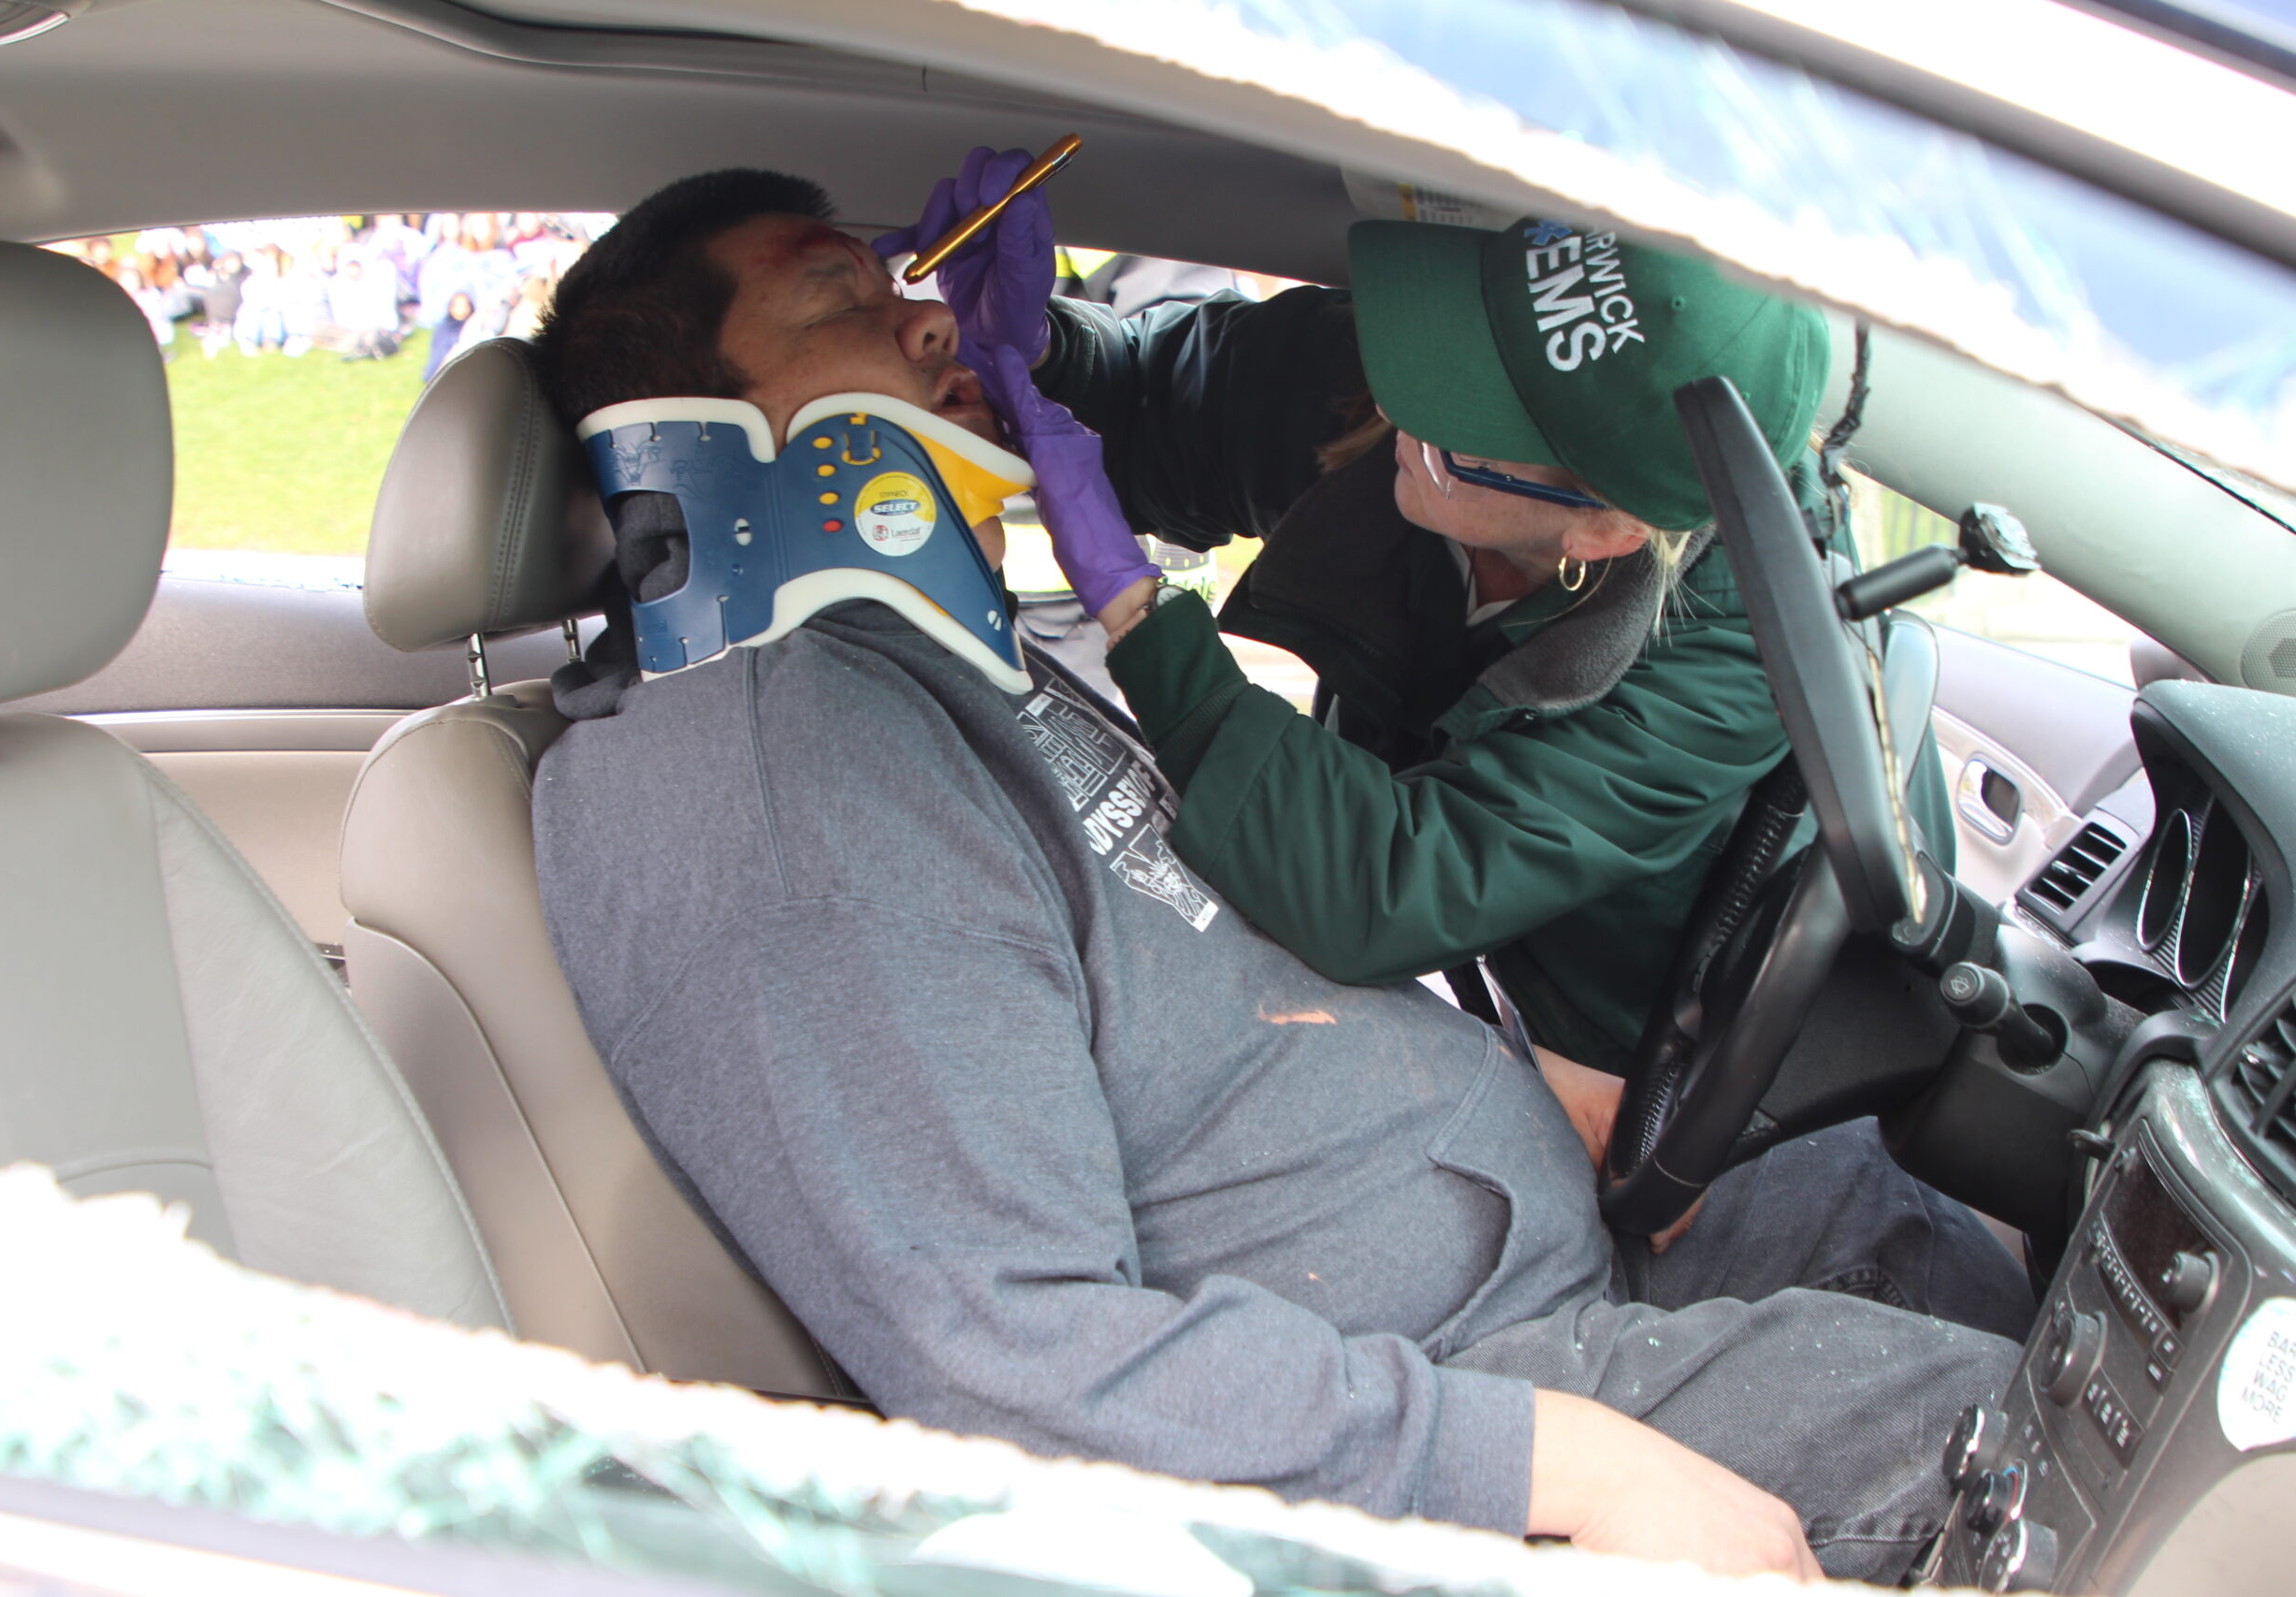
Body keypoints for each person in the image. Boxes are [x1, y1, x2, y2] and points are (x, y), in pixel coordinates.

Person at [526, 167, 2032, 1586]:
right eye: (840, 297)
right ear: (687, 430)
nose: (924, 313)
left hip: (1513, 1242)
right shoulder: (794, 781)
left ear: (1603, 527)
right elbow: (1009, 1357)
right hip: (1444, 1381)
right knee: (2042, 1443)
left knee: (1909, 1209)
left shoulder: (916, 669)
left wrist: (1522, 1070)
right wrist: (1559, 1463)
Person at [879, 152, 1954, 1074]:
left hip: (1654, 1028)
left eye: (1448, 423)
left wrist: (1142, 620)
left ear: (1599, 531)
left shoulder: (1732, 660)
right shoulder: (1433, 388)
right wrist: (1054, 355)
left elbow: (1392, 883)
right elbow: (1188, 396)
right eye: (1440, 355)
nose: (1395, 404)